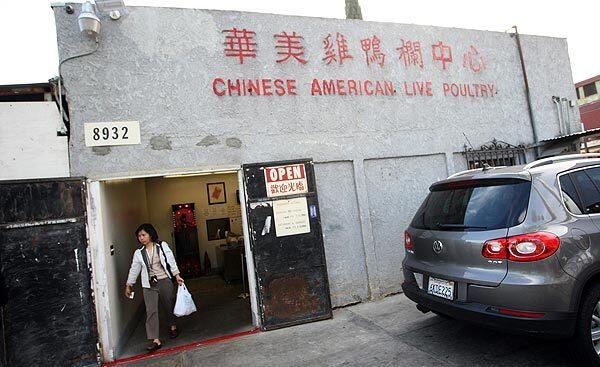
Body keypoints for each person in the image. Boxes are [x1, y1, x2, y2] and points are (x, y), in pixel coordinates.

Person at [125, 223, 184, 352]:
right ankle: (155, 340)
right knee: (151, 311)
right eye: (139, 236)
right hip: (148, 285)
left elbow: (171, 261)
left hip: (164, 281)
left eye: (143, 235)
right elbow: (134, 269)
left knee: (168, 305)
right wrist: (129, 284)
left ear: (150, 234)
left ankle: (173, 326)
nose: (141, 238)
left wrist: (177, 275)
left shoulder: (162, 246)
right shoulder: (138, 253)